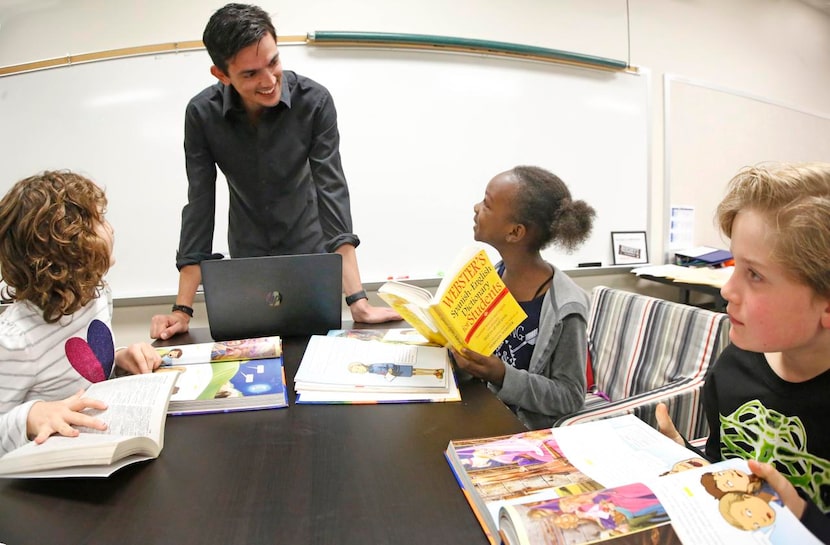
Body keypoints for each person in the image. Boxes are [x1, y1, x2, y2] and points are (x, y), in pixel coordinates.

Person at [150, 3, 398, 341]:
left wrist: (357, 301)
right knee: (255, 364)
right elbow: (199, 206)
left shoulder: (315, 102)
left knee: (315, 357)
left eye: (274, 63)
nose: (269, 82)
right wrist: (182, 309)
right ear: (222, 75)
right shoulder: (201, 115)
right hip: (248, 259)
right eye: (250, 74)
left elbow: (332, 194)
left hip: (309, 253)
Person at [656, 162, 830, 541]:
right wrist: (690, 460)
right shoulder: (733, 369)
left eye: (754, 275)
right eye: (734, 265)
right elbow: (727, 470)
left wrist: (800, 514)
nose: (727, 291)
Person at [0, 170, 164, 456]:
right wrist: (30, 417)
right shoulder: (15, 340)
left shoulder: (95, 295)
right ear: (67, 245)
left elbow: (88, 376)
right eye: (98, 221)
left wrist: (120, 359)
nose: (111, 229)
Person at [451, 165, 596, 429]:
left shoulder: (566, 308)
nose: (475, 207)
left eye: (486, 204)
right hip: (478, 410)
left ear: (515, 232)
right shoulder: (491, 279)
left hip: (521, 433)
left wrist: (503, 375)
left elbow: (570, 396)